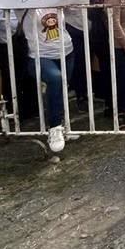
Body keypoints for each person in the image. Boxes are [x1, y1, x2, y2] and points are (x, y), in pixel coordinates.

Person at [22, 8, 73, 152]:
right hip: (40, 55)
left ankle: (63, 127)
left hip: (67, 51)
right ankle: (54, 127)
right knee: (56, 79)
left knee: (62, 88)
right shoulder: (26, 4)